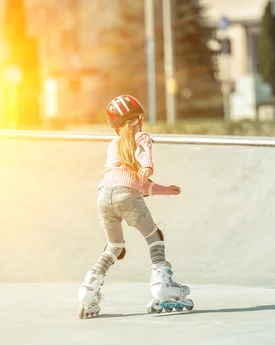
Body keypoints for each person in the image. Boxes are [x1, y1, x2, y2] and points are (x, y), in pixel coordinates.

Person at [77, 94, 193, 319]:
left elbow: (129, 182)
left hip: (103, 197)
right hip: (126, 196)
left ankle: (89, 287)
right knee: (154, 237)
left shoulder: (113, 145)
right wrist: (148, 166)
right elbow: (141, 163)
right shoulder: (142, 138)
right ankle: (162, 283)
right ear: (138, 119)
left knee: (115, 246)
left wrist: (163, 189)